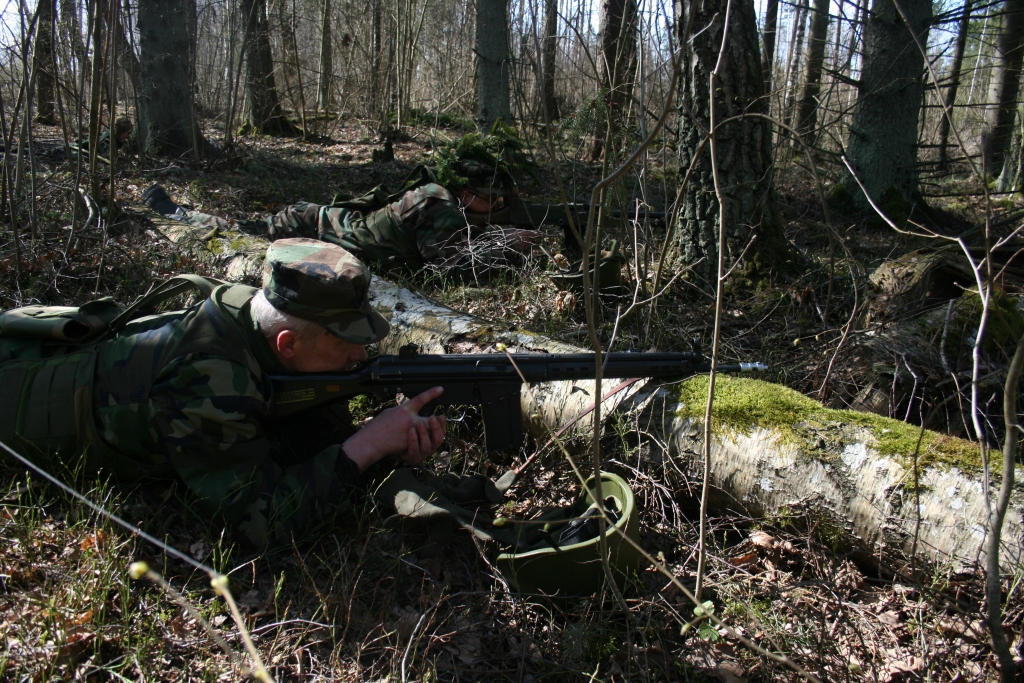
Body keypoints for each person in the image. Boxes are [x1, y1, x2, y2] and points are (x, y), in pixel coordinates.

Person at [0, 239, 446, 546]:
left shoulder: (251, 310)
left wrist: (386, 445)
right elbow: (260, 523)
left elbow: (283, 427)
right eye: (343, 341)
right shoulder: (210, 382)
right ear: (286, 344)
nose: (358, 353)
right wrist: (364, 447)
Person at [141, 170, 536, 280]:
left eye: (499, 200)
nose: (495, 204)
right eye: (488, 197)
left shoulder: (447, 200)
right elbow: (446, 269)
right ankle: (178, 216)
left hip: (340, 225)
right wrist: (508, 245)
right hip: (317, 224)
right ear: (465, 193)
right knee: (240, 232)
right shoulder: (440, 204)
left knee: (247, 227)